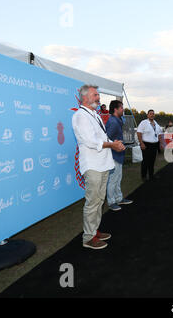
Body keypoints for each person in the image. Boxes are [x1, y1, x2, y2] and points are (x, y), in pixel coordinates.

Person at [72, 85, 125, 250]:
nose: (98, 98)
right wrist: (112, 145)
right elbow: (90, 141)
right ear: (85, 97)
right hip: (93, 165)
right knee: (93, 202)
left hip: (102, 164)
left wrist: (113, 143)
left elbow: (101, 137)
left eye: (98, 95)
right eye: (95, 95)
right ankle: (88, 238)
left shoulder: (93, 114)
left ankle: (94, 231)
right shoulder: (81, 116)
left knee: (99, 201)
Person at [105, 100, 134, 212]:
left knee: (118, 178)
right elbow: (107, 139)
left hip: (119, 154)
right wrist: (115, 143)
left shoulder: (117, 120)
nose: (123, 110)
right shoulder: (113, 122)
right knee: (113, 179)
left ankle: (119, 198)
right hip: (113, 155)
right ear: (115, 109)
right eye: (121, 108)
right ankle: (111, 202)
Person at [137, 110, 163, 182]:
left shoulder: (156, 123)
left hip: (154, 145)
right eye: (150, 114)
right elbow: (139, 133)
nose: (152, 115)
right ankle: (144, 176)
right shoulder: (144, 122)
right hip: (146, 144)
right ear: (147, 115)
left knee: (152, 161)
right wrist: (141, 143)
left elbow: (159, 134)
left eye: (153, 114)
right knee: (145, 161)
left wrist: (160, 143)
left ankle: (151, 175)